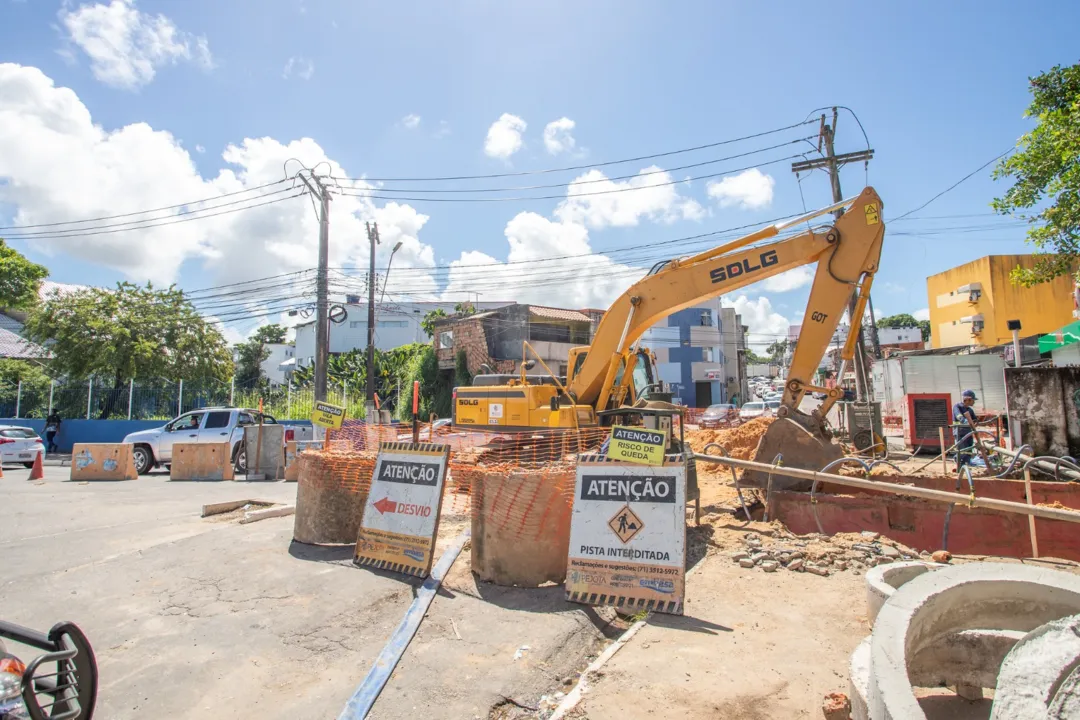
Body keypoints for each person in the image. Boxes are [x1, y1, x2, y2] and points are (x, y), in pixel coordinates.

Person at [953, 390, 980, 468]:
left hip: (968, 432)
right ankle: (959, 463)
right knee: (962, 448)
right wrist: (965, 421)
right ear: (967, 399)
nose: (974, 402)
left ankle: (967, 463)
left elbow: (975, 419)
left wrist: (975, 422)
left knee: (969, 448)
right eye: (973, 400)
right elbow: (959, 416)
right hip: (959, 432)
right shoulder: (957, 406)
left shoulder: (970, 410)